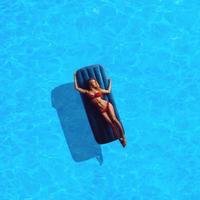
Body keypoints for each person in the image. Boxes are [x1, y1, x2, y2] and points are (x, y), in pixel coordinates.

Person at [74, 74, 126, 147]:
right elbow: (76, 88)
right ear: (90, 83)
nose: (94, 83)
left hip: (107, 105)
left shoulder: (99, 90)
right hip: (102, 110)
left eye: (95, 82)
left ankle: (123, 137)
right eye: (92, 82)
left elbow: (108, 91)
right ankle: (119, 139)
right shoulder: (87, 92)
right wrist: (75, 76)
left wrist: (110, 81)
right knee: (111, 124)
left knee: (114, 120)